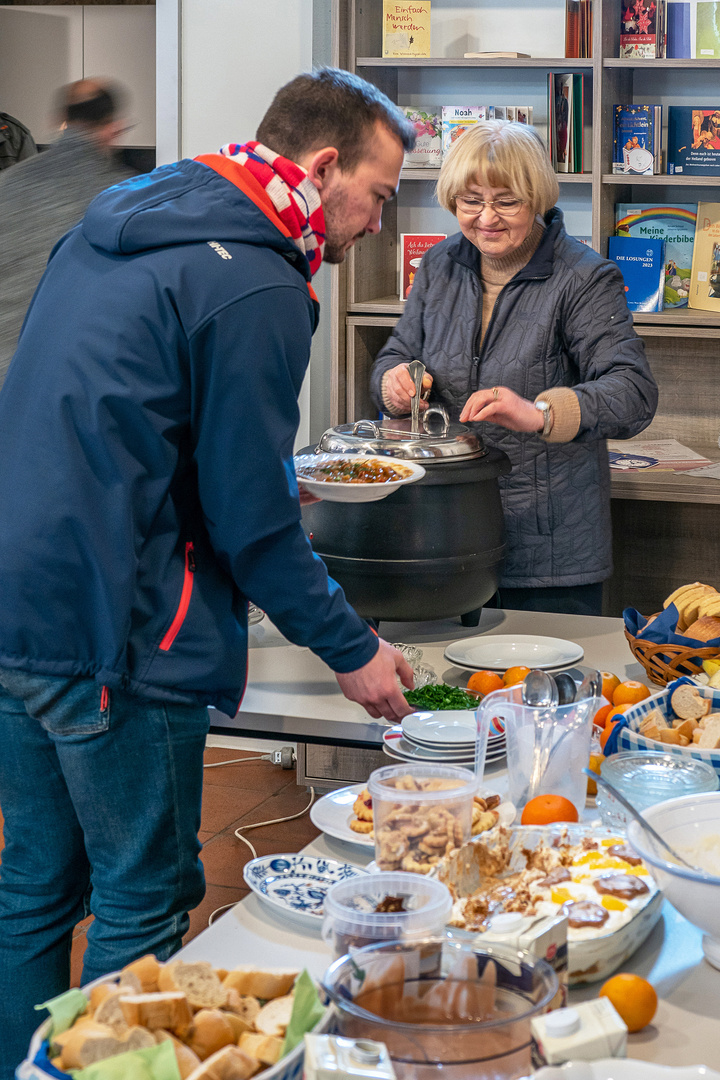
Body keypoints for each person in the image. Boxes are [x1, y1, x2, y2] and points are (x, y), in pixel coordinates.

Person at [0, 67, 415, 1073]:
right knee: (142, 893)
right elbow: (249, 524)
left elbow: (125, 414)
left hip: (20, 601)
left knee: (34, 889)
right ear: (323, 170)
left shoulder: (129, 216)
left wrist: (255, 479)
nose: (373, 220)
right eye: (380, 193)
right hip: (120, 626)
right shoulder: (258, 279)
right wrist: (352, 650)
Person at [371, 120, 658, 617]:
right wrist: (395, 384)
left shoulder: (584, 277)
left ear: (538, 197)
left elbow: (633, 392)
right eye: (470, 201)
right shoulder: (439, 265)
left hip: (548, 552)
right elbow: (397, 353)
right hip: (442, 537)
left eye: (507, 201)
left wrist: (541, 412)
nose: (487, 218)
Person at [0, 78, 134, 385]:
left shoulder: (8, 182)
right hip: (69, 380)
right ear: (114, 128)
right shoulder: (124, 196)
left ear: (60, 123)